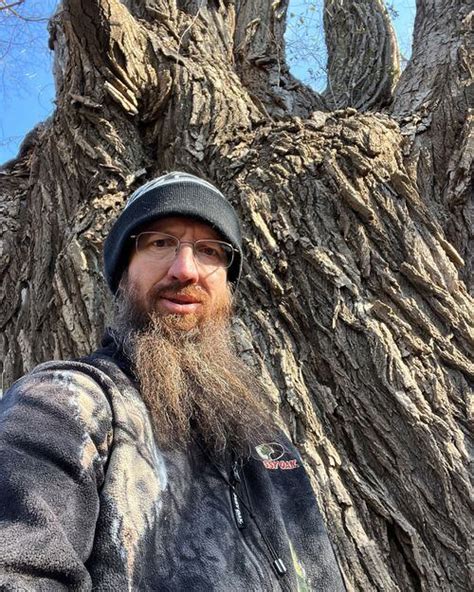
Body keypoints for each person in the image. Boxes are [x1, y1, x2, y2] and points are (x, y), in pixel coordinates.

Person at [0, 172, 346, 591]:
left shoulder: (266, 440)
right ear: (123, 273)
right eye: (159, 243)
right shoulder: (67, 400)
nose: (185, 270)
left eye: (209, 250)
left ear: (227, 284)